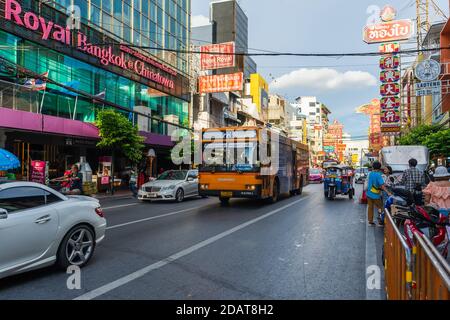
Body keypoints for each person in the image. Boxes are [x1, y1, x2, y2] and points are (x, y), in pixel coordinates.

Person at [366, 161, 390, 226]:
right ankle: (381, 220)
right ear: (379, 168)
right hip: (376, 195)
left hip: (369, 193)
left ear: (373, 167)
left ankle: (370, 221)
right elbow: (382, 185)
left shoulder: (370, 173)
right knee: (381, 207)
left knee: (370, 207)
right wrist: (388, 192)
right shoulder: (379, 175)